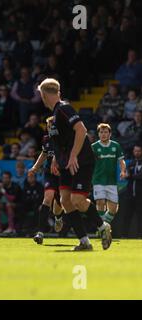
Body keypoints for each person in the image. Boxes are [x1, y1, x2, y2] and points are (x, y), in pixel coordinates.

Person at [37, 78, 111, 251]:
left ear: (44, 95)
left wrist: (73, 156)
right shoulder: (54, 115)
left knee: (77, 200)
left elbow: (81, 130)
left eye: (41, 95)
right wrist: (56, 158)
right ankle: (84, 242)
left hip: (80, 161)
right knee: (65, 200)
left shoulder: (64, 108)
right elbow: (60, 140)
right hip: (65, 163)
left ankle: (103, 227)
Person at [28, 116, 64, 245]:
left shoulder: (65, 139)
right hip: (49, 174)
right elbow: (43, 154)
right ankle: (40, 232)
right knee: (47, 198)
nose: (50, 128)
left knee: (59, 205)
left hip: (62, 175)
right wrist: (35, 167)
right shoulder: (46, 139)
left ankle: (58, 218)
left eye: (52, 126)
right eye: (48, 126)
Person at [92, 123, 126, 224]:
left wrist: (123, 171)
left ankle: (103, 225)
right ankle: (102, 228)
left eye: (106, 132)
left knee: (113, 209)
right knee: (100, 201)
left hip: (111, 181)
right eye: (101, 132)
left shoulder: (116, 146)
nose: (103, 134)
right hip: (98, 180)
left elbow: (121, 161)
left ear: (110, 134)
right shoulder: (94, 147)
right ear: (98, 134)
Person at [123, 145, 142, 238]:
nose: (137, 153)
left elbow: (139, 176)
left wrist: (130, 176)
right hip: (130, 194)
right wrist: (129, 176)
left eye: (139, 151)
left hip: (140, 195)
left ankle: (140, 235)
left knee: (140, 216)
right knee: (127, 215)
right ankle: (124, 235)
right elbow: (126, 174)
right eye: (136, 151)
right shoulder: (131, 163)